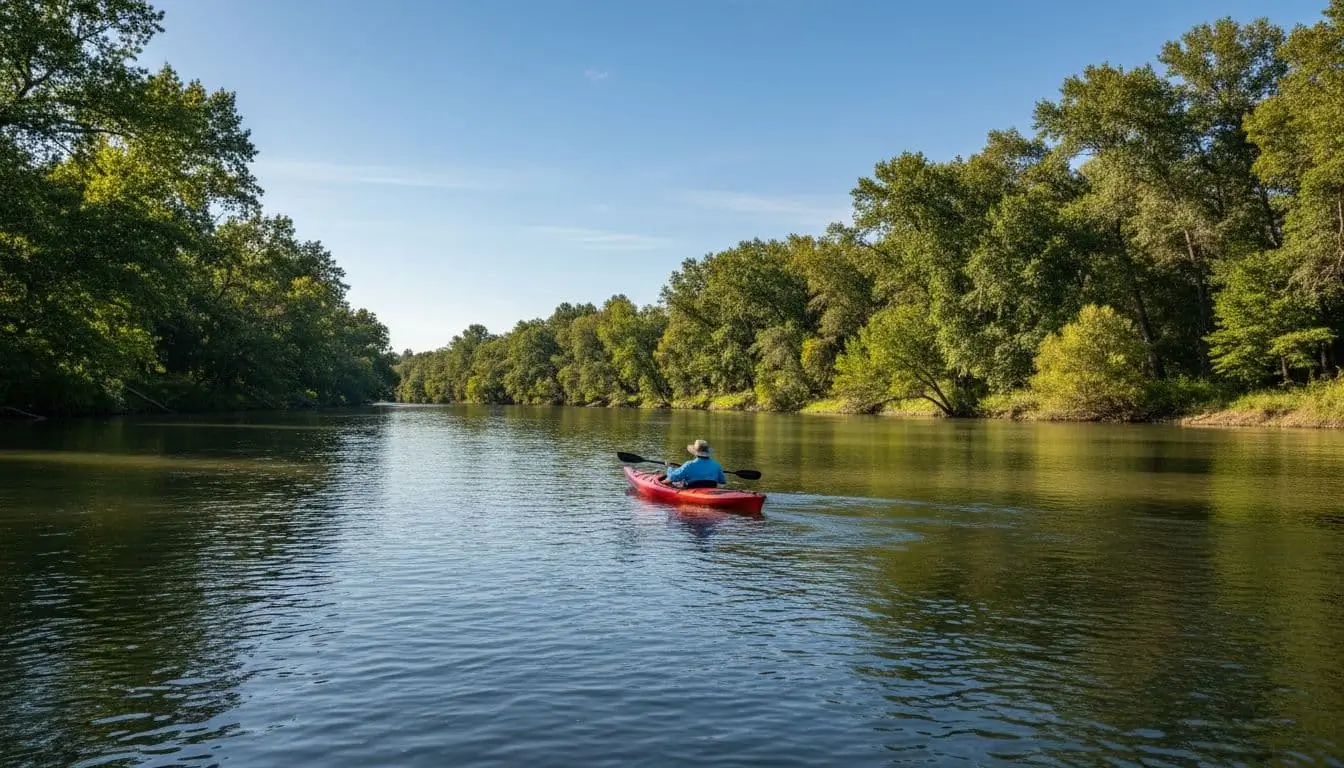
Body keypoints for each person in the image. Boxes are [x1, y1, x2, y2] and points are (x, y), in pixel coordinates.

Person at [661, 439, 728, 488]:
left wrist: (669, 467)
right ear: (708, 453)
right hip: (710, 490)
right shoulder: (716, 465)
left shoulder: (689, 464)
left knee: (669, 481)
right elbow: (723, 481)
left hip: (692, 491)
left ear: (695, 453)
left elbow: (672, 477)